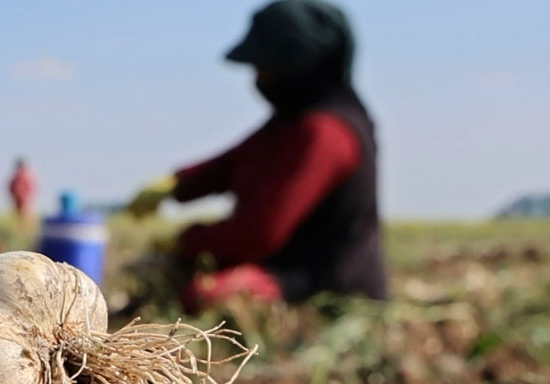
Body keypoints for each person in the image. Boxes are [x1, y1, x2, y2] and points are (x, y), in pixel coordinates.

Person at [126, 0, 386, 312]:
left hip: (323, 288)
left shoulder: (325, 133)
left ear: (297, 66)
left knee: (203, 294)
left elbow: (257, 234)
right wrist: (176, 185)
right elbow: (232, 162)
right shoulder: (290, 122)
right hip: (285, 270)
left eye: (265, 67)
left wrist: (186, 241)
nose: (258, 78)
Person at [8, 157, 37, 221]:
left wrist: (26, 196)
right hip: (17, 201)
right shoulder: (16, 178)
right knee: (18, 217)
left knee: (26, 215)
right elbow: (11, 188)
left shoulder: (26, 177)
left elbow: (31, 189)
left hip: (25, 201)